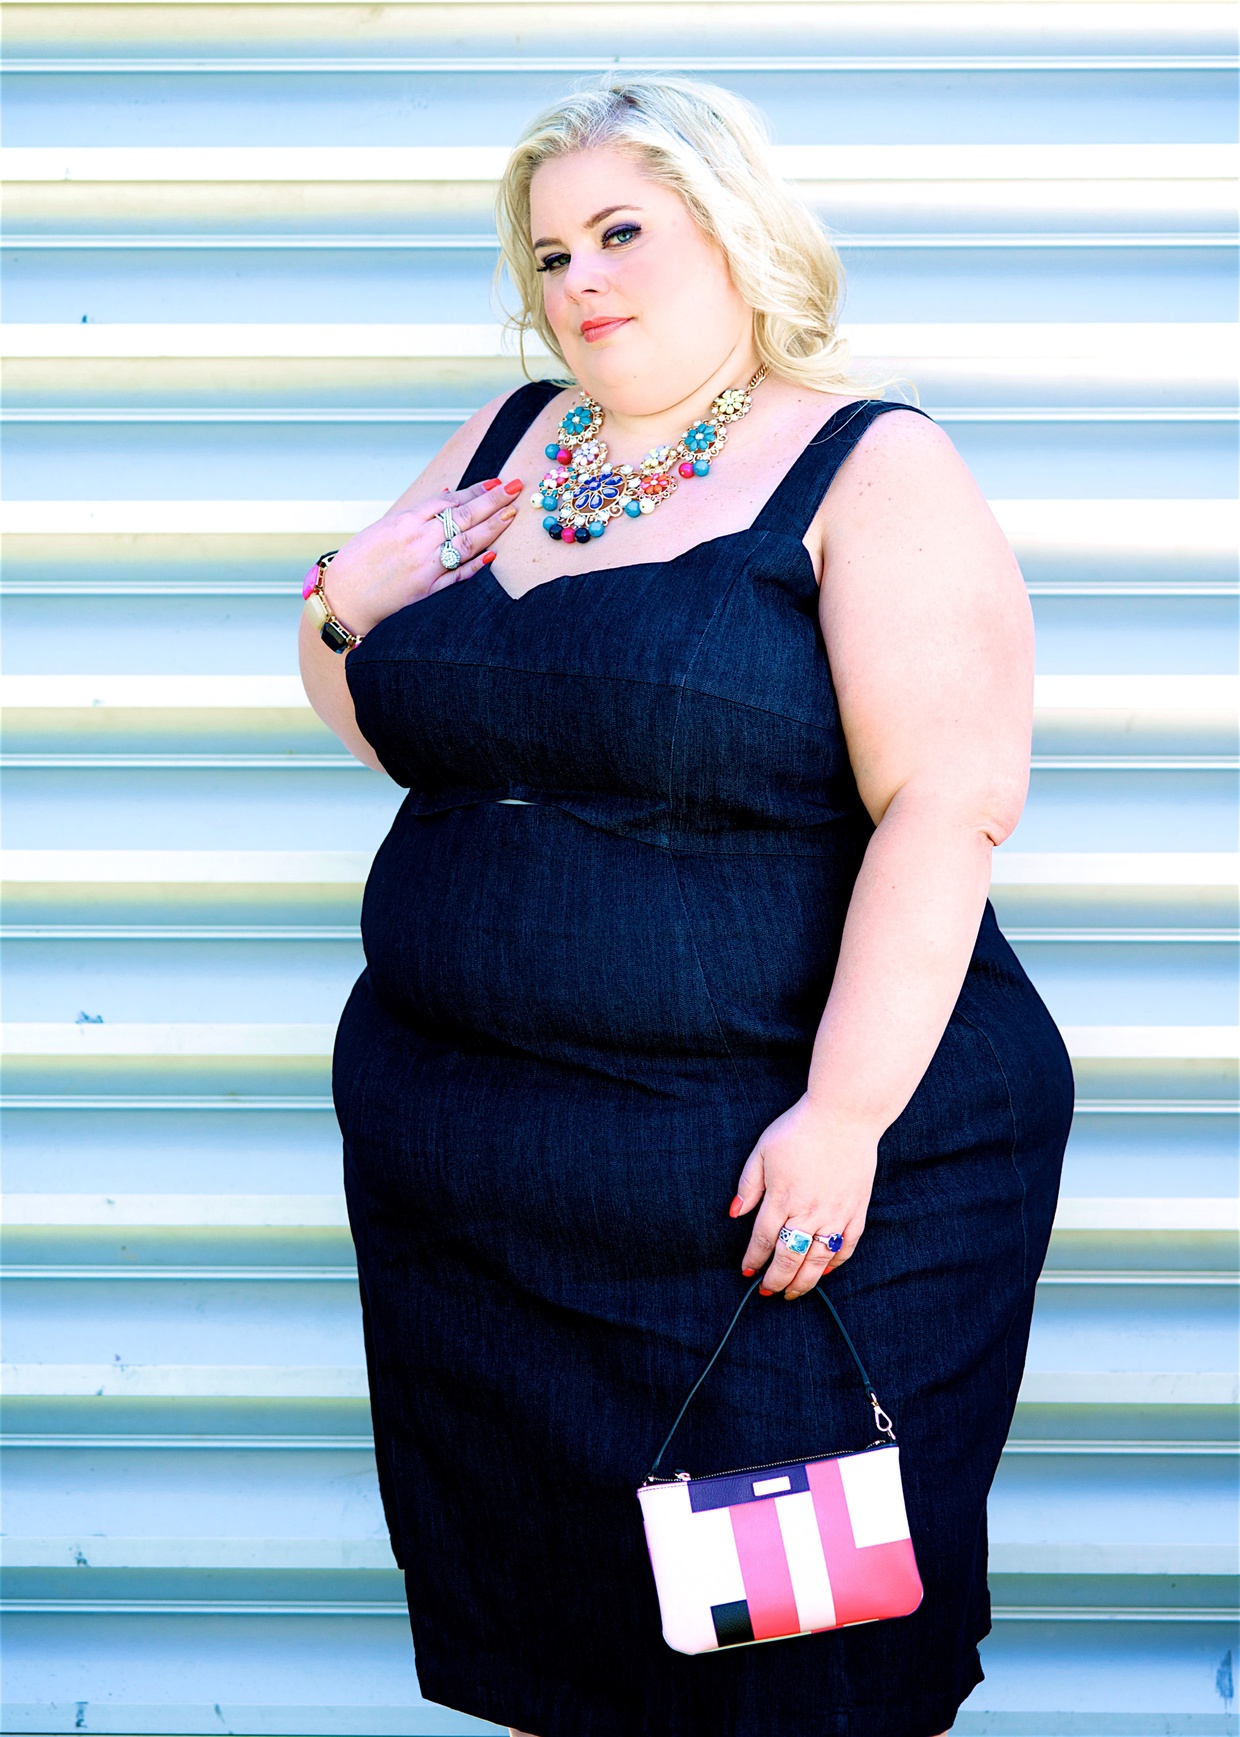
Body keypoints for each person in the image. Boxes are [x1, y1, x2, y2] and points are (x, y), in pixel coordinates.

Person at [300, 75, 1073, 1737]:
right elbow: (395, 719)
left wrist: (845, 1115)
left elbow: (947, 803)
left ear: (732, 229)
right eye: (550, 251)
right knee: (559, 1632)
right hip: (483, 1201)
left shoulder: (868, 462)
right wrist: (340, 601)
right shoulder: (509, 444)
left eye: (621, 231)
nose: (580, 276)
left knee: (786, 1658)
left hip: (767, 1200)